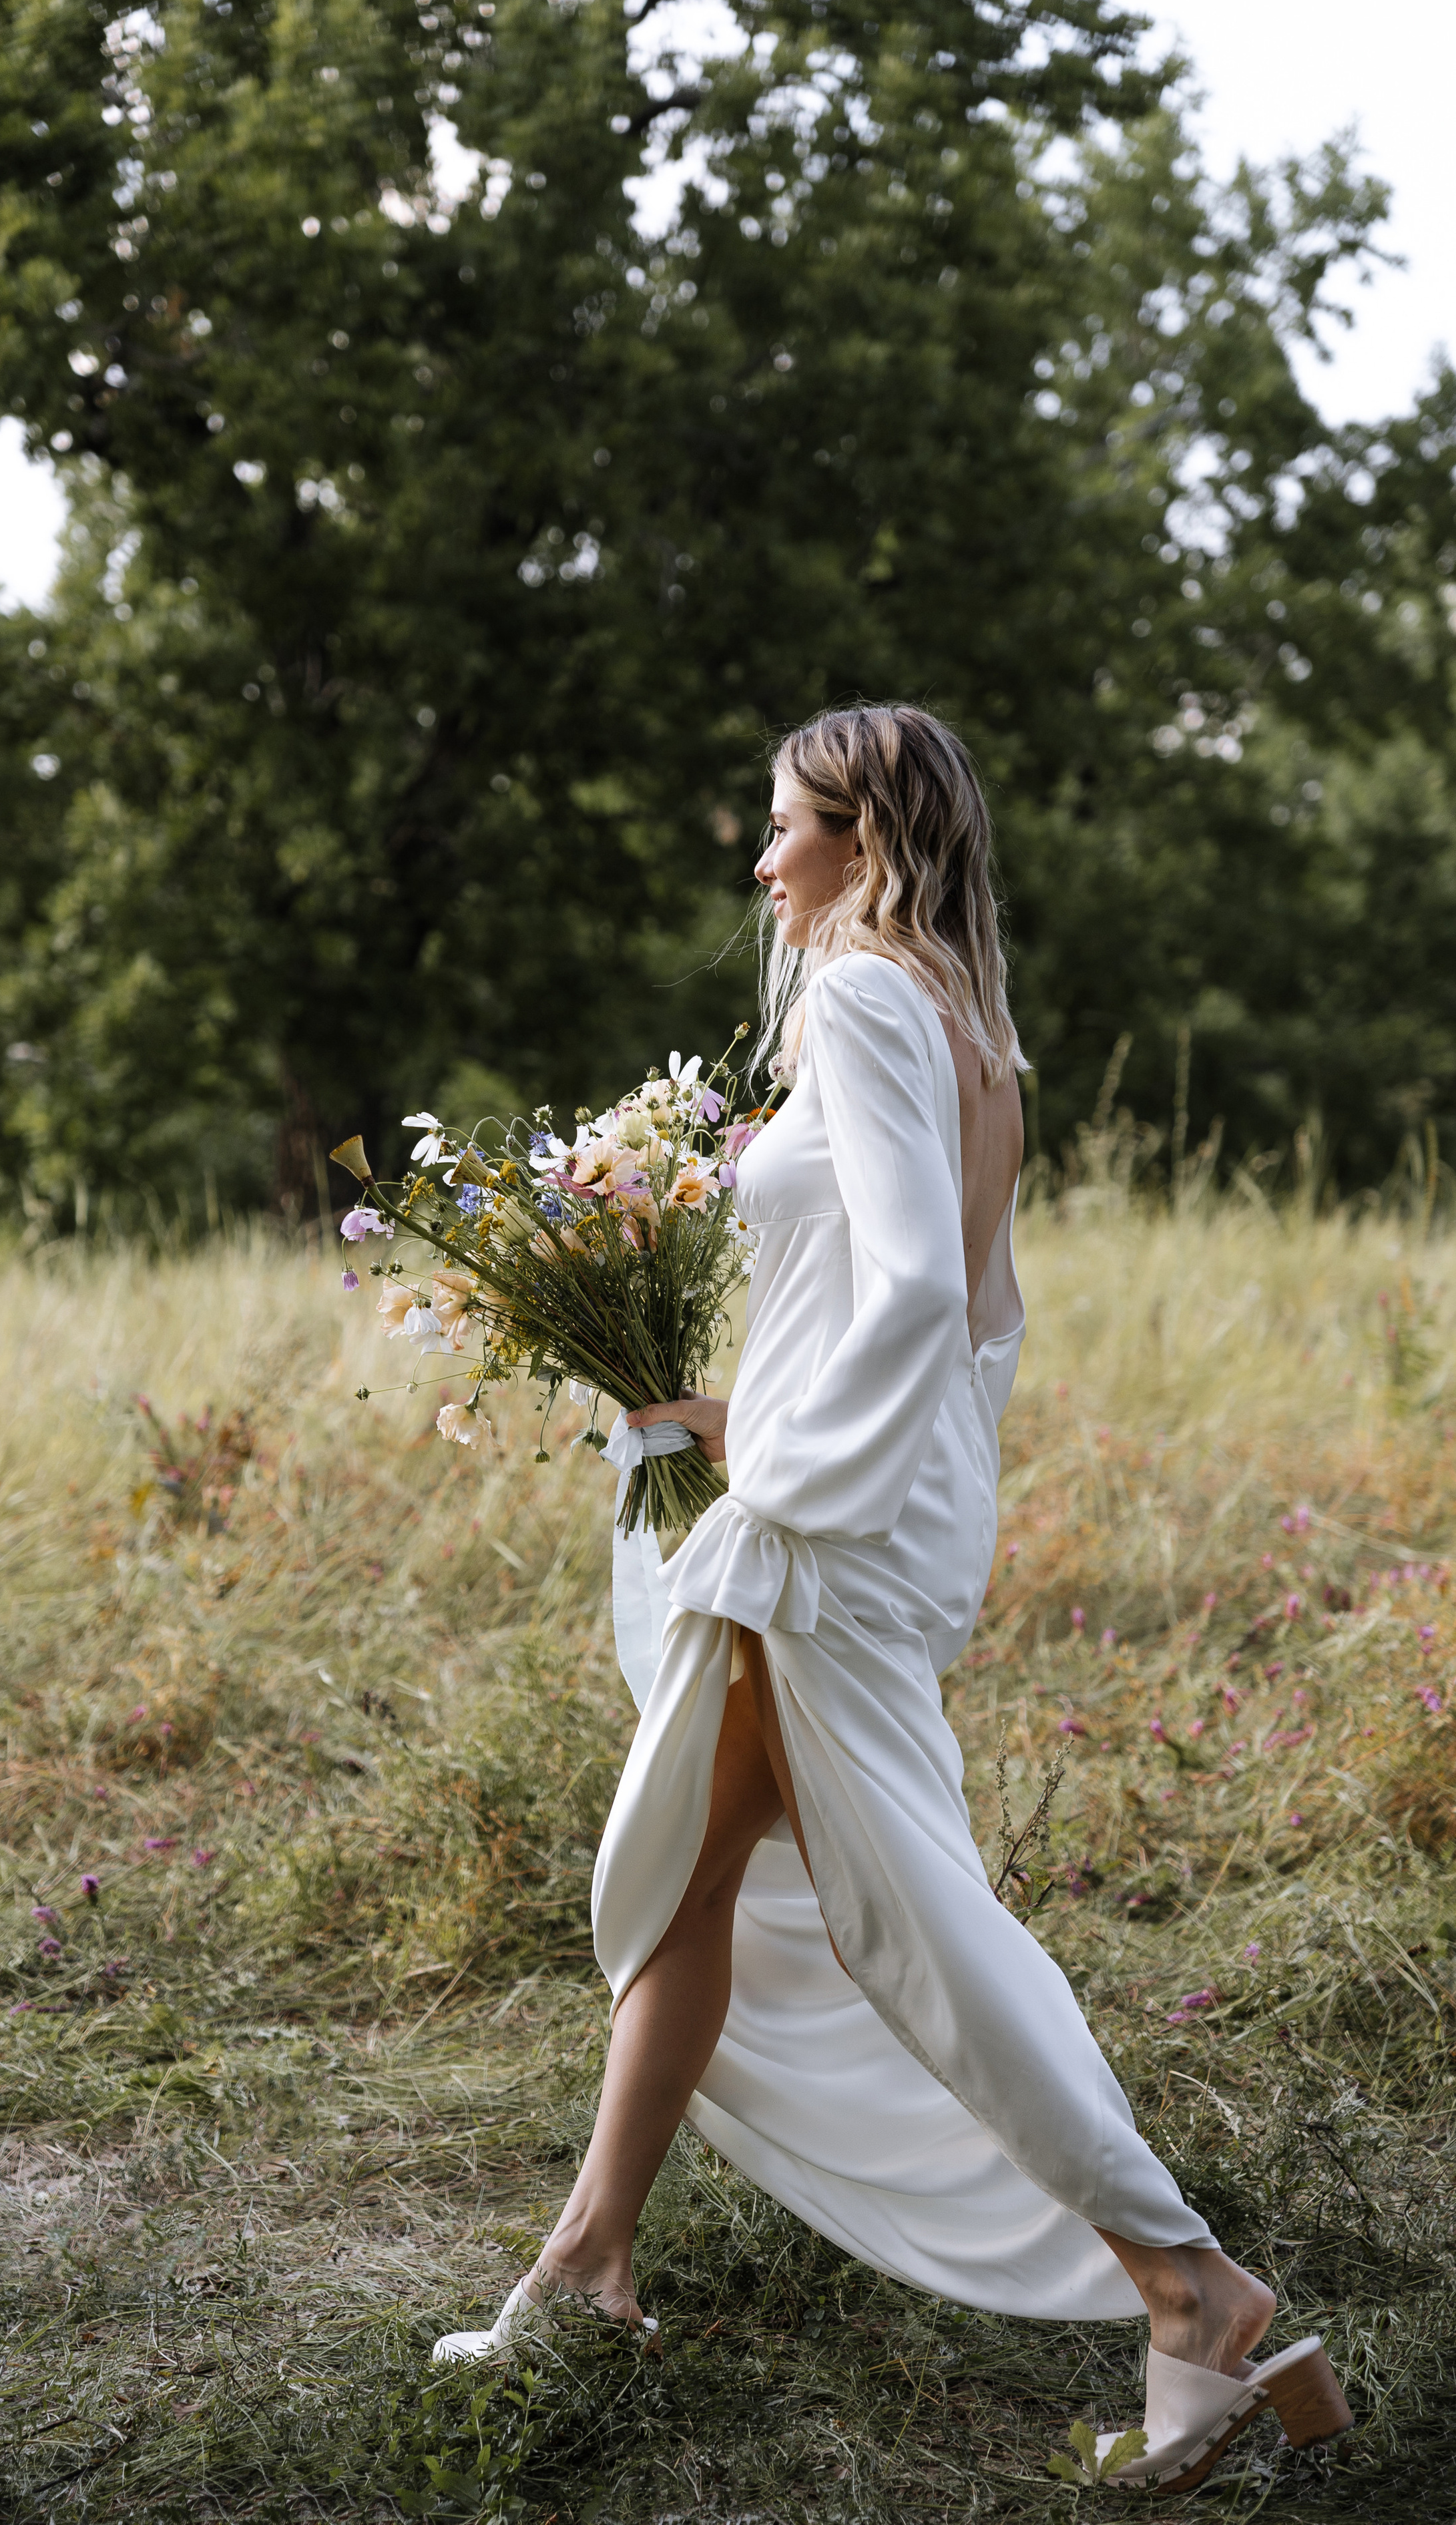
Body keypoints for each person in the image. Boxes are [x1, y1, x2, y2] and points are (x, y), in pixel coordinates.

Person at [431, 704, 1350, 2492]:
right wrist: (749, 1419)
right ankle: (589, 2262)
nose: (761, 861)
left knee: (910, 1921)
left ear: (863, 834)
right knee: (689, 1873)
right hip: (879, 1508)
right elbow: (983, 1320)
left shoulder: (860, 993)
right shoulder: (973, 1020)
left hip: (827, 1530)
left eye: (784, 826)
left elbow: (923, 1294)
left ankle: (1190, 2288)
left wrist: (788, 1485)